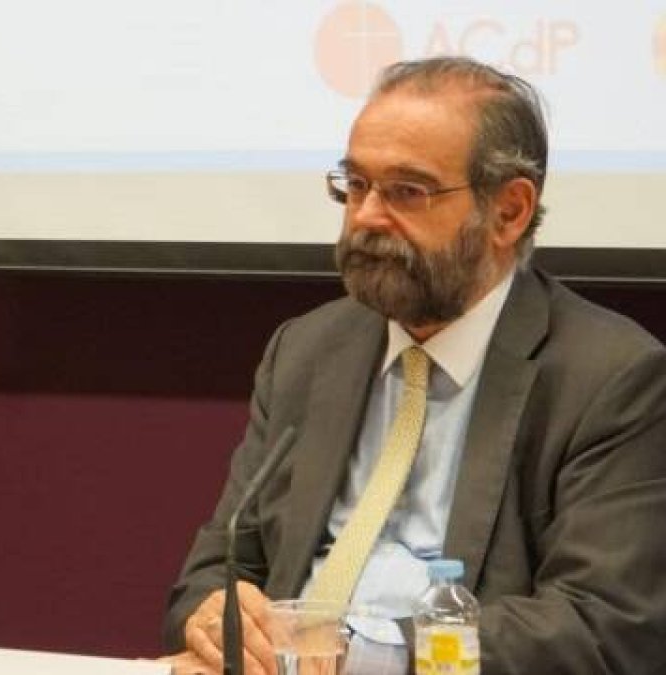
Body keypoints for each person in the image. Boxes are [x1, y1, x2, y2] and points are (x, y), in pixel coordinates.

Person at [162, 57, 666, 675]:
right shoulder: (307, 349)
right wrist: (218, 614)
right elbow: (219, 562)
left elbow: (601, 625)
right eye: (354, 185)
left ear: (508, 212)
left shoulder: (610, 377)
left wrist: (364, 654)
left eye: (407, 191)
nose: (367, 216)